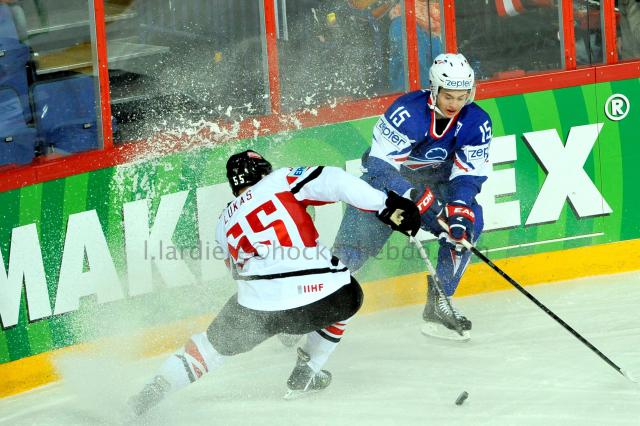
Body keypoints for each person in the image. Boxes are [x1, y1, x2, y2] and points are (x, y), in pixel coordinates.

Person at [128, 150, 420, 415]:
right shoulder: (279, 181)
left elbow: (237, 271)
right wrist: (386, 205)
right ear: (263, 172)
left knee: (209, 348)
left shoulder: (222, 224)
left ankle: (147, 397)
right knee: (346, 288)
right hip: (327, 299)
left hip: (262, 311)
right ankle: (308, 370)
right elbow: (334, 179)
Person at [333, 52, 492, 341]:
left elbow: (468, 175)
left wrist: (457, 207)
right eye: (448, 96)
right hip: (385, 187)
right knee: (347, 256)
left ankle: (439, 302)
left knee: (468, 224)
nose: (455, 104)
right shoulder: (407, 112)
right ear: (434, 88)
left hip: (436, 185)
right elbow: (380, 166)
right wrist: (410, 194)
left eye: (462, 96)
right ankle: (304, 306)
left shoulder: (477, 123)